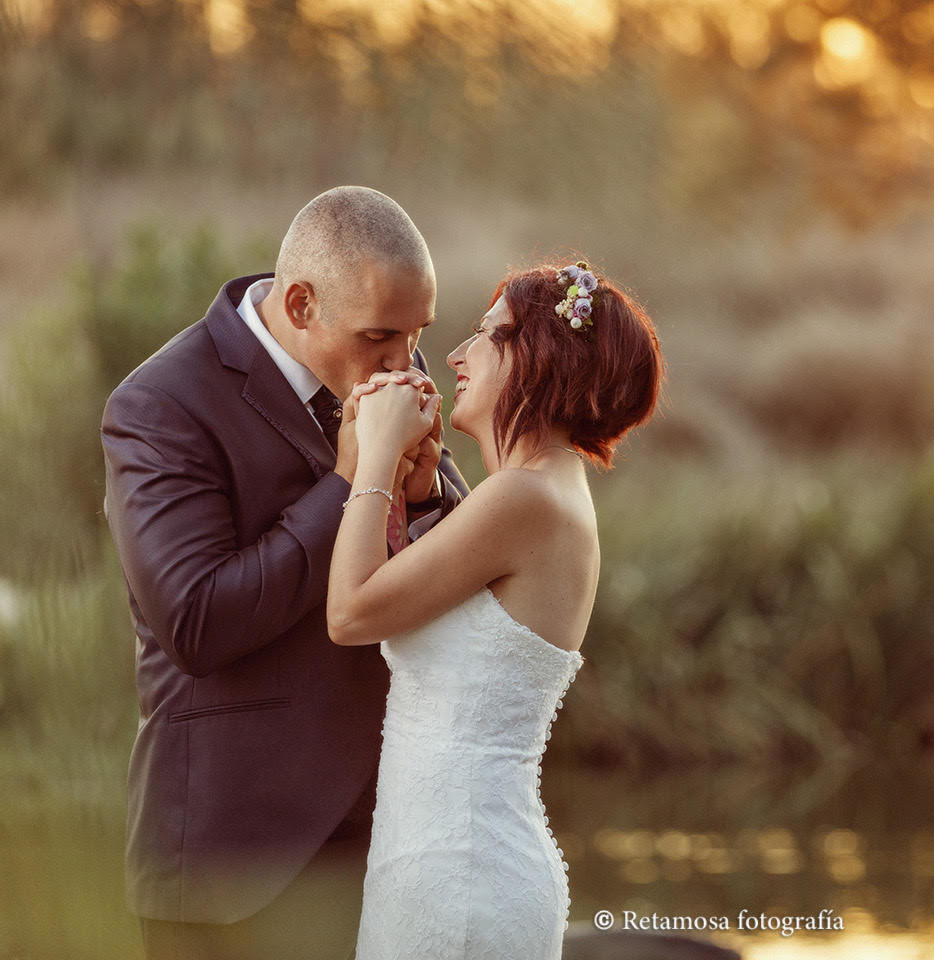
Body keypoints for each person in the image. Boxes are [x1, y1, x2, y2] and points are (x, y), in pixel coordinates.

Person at [101, 186, 469, 960]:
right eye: (381, 337)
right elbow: (198, 621)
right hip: (234, 868)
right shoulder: (160, 405)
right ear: (301, 304)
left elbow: (456, 551)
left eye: (417, 335)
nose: (404, 364)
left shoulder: (385, 355)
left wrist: (427, 490)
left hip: (392, 842)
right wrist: (347, 487)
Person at [326, 260, 663, 959]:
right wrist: (415, 495)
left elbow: (351, 613)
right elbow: (424, 606)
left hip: (459, 878)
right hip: (443, 865)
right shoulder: (533, 494)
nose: (453, 355)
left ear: (537, 357)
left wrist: (373, 457)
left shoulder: (524, 499)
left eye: (486, 333)